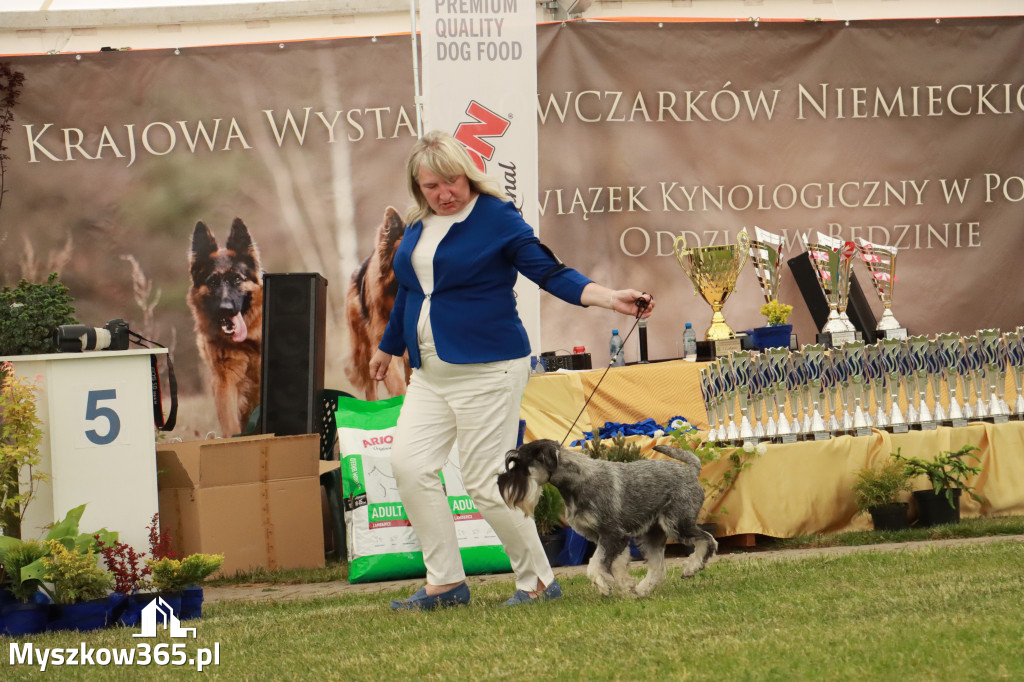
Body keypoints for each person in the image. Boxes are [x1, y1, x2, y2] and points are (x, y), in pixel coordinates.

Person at [369, 130, 654, 610]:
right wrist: (387, 346)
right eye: (431, 186)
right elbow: (412, 293)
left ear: (469, 174)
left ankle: (538, 581)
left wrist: (609, 297)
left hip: (489, 368)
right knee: (410, 466)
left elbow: (549, 271)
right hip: (431, 373)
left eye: (452, 182)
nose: (444, 194)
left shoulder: (496, 217)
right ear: (418, 189)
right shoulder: (418, 224)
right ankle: (445, 584)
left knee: (485, 481)